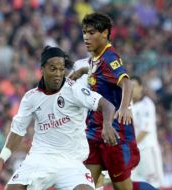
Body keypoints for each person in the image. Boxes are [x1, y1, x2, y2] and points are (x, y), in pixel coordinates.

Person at [0, 46, 120, 190]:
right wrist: (1, 160)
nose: (58, 74)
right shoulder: (31, 98)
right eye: (53, 69)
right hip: (40, 158)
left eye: (61, 69)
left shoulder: (74, 90)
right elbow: (18, 131)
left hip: (71, 161)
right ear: (42, 69)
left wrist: (107, 125)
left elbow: (107, 105)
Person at [70, 13, 158, 190]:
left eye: (92, 32)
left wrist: (124, 108)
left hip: (113, 134)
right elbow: (99, 73)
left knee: (123, 188)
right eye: (85, 32)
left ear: (105, 33)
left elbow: (126, 83)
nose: (86, 37)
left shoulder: (110, 57)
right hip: (94, 132)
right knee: (86, 185)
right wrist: (83, 71)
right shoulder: (96, 57)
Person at [130, 76, 164, 188]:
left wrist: (131, 145)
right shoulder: (126, 106)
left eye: (134, 86)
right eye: (129, 86)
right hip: (133, 152)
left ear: (141, 87)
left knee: (154, 184)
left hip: (147, 150)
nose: (131, 89)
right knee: (132, 183)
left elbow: (145, 130)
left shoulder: (147, 104)